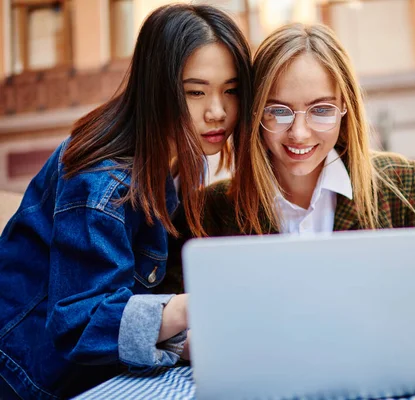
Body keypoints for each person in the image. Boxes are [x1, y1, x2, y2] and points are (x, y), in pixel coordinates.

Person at [168, 23, 415, 353]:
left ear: (345, 109)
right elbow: (166, 326)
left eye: (321, 110)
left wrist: (356, 331)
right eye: (278, 111)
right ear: (255, 112)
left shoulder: (399, 184)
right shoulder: (208, 210)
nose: (299, 133)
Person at [0, 4, 251, 399]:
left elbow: (132, 309)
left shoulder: (182, 159)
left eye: (231, 91)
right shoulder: (103, 181)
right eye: (195, 92)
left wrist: (187, 344)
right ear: (157, 90)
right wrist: (197, 304)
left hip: (94, 379)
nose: (217, 112)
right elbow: (81, 323)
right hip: (24, 380)